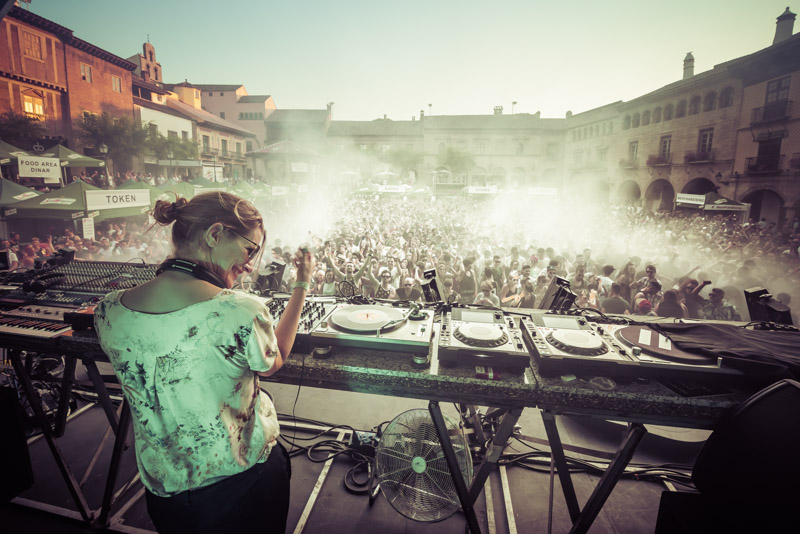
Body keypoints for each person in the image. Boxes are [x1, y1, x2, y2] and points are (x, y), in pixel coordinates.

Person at [94, 192, 313, 534]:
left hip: (163, 493)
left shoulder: (109, 310)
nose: (251, 264)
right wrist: (301, 284)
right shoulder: (240, 311)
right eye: (249, 250)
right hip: (242, 485)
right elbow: (274, 361)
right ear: (214, 235)